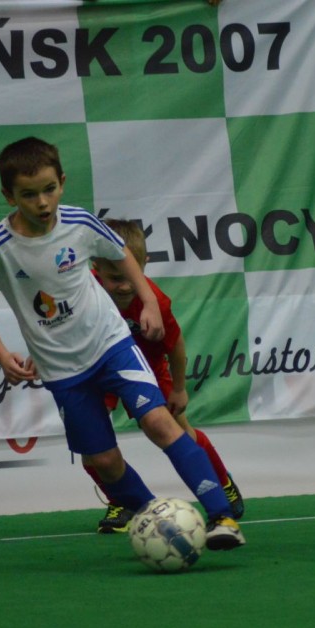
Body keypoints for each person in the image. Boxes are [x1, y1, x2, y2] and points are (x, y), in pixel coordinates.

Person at [0, 137, 245, 551]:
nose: (42, 202)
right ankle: (158, 518)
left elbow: (121, 252)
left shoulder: (79, 222)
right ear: (9, 196)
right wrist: (2, 354)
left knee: (159, 422)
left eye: (49, 189)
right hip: (62, 370)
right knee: (103, 461)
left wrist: (149, 301)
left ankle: (222, 517)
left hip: (111, 345)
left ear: (62, 182)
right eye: (29, 194)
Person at [87, 218, 245, 533]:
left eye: (130, 276)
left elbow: (175, 345)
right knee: (92, 449)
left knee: (178, 430)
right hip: (100, 367)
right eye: (115, 278)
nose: (125, 286)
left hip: (148, 367)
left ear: (143, 264)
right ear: (96, 267)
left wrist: (179, 389)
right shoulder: (85, 290)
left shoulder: (155, 301)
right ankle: (121, 502)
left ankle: (221, 483)